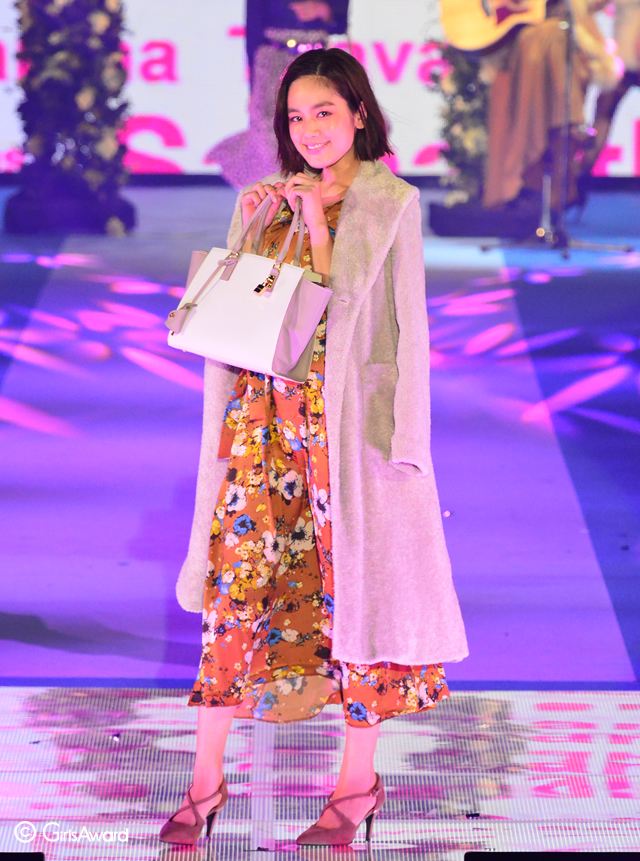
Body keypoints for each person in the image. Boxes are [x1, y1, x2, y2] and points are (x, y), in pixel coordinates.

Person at [161, 47, 468, 848]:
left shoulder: (390, 201)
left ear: (360, 114)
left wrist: (408, 446)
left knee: (353, 603)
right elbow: (244, 320)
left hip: (346, 440)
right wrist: (257, 227)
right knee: (235, 596)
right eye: (296, 117)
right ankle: (204, 781)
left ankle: (356, 785)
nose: (309, 130)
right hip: (261, 433)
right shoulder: (269, 199)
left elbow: (394, 327)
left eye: (324, 112)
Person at [482, 0, 620, 213]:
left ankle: (564, 132)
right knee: (551, 37)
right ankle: (571, 127)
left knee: (556, 36)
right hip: (516, 41)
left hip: (564, 42)